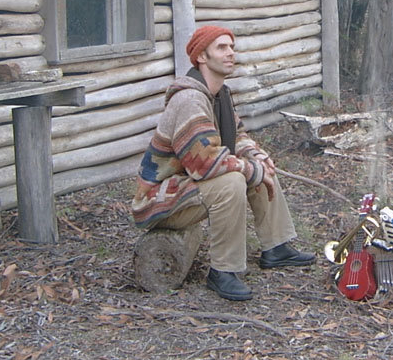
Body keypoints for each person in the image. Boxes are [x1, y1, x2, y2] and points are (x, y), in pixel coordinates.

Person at [131, 25, 315, 300]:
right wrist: (251, 170)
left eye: (231, 47)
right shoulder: (189, 100)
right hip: (159, 200)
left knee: (260, 167)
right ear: (201, 57)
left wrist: (257, 157)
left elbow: (238, 136)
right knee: (233, 181)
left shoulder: (219, 94)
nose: (230, 53)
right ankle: (223, 271)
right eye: (221, 47)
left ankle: (276, 247)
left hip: (186, 187)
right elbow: (203, 165)